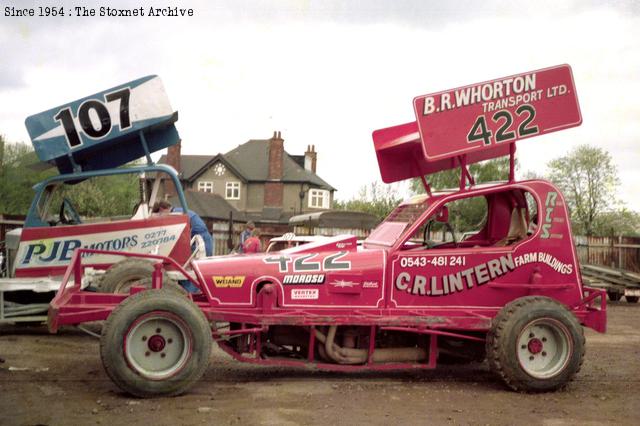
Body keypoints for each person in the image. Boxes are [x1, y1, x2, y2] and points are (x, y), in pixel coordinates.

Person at [153, 200, 214, 294]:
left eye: (160, 214)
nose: (161, 217)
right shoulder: (179, 210)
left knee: (195, 270)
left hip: (201, 240)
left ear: (162, 209)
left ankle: (189, 294)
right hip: (200, 238)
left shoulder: (176, 214)